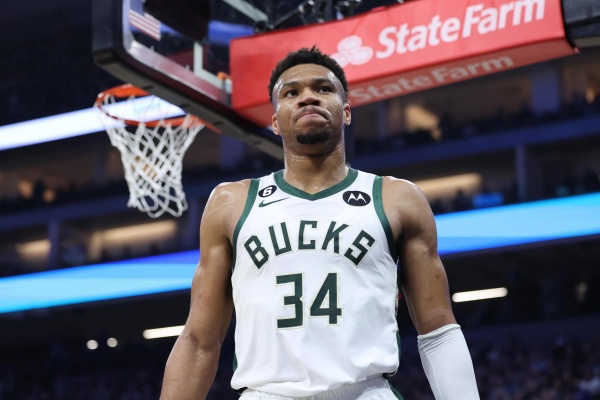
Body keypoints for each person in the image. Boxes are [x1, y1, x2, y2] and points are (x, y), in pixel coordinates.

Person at [160, 46, 480, 400]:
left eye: (323, 88)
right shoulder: (231, 202)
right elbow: (199, 340)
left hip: (364, 392)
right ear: (275, 121)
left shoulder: (397, 197)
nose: (308, 97)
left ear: (346, 111)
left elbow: (438, 330)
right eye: (291, 93)